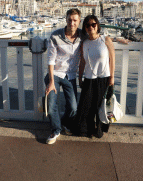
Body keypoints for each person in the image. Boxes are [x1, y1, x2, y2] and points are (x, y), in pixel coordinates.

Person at [72, 14, 115, 138]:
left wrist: (112, 77)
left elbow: (112, 59)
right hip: (90, 78)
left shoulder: (105, 40)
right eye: (87, 25)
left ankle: (100, 129)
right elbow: (82, 62)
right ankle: (86, 129)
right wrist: (80, 78)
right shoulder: (84, 44)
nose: (91, 27)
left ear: (97, 26)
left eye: (93, 24)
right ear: (85, 28)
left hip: (104, 78)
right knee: (86, 106)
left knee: (101, 106)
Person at [45, 8, 83, 144]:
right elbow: (50, 59)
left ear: (79, 21)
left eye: (75, 20)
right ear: (66, 20)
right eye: (69, 20)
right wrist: (50, 81)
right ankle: (56, 129)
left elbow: (98, 37)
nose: (72, 23)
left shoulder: (82, 36)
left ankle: (63, 123)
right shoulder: (55, 35)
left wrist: (116, 39)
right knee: (50, 105)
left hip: (70, 75)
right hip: (54, 73)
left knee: (73, 107)